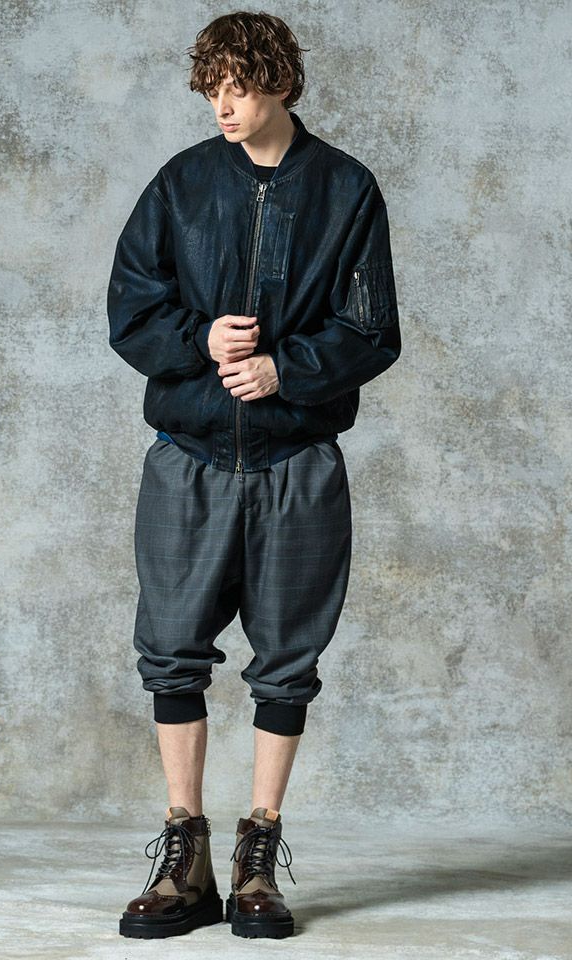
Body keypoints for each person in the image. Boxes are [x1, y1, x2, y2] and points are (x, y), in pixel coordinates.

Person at [108, 10, 401, 941]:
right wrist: (198, 339)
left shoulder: (346, 190)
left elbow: (372, 330)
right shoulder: (183, 184)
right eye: (211, 90)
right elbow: (129, 307)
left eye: (237, 87)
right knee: (171, 648)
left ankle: (258, 856)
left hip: (297, 462)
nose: (223, 106)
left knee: (287, 660)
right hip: (188, 457)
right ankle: (184, 853)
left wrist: (286, 370)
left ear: (278, 81)